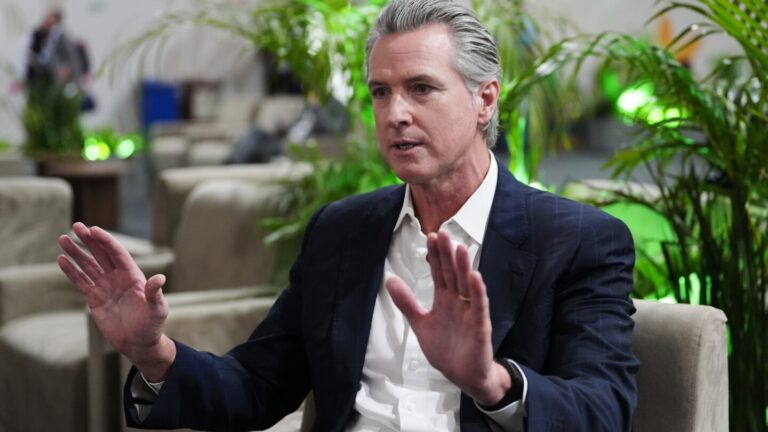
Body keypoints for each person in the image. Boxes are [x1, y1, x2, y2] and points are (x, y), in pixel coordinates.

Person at [57, 0, 639, 430]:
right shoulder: (341, 231)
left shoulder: (578, 240)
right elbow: (260, 384)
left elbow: (605, 410)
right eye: (381, 92)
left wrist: (491, 382)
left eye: (421, 88)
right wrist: (154, 352)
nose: (395, 114)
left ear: (484, 99)